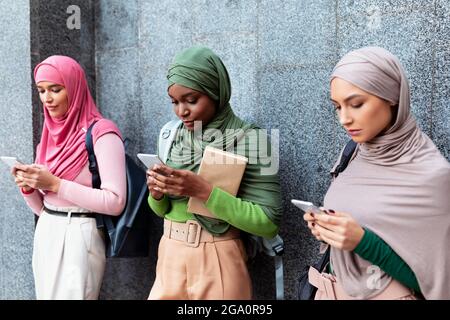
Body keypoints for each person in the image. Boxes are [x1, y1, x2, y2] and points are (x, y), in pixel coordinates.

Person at [303, 46, 450, 300]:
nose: (344, 119)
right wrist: (328, 228)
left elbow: (438, 283)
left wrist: (362, 242)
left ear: (391, 96)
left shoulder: (432, 176)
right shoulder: (353, 153)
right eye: (337, 107)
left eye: (356, 104)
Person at [146, 46, 282, 300]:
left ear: (216, 92)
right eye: (174, 102)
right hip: (169, 254)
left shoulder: (252, 139)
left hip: (218, 258)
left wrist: (205, 192)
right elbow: (161, 210)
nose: (181, 112)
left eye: (191, 100)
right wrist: (157, 194)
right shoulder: (171, 136)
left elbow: (269, 222)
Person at [12, 55, 126, 300]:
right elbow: (43, 209)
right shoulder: (49, 134)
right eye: (41, 90)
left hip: (79, 232)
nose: (47, 99)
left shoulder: (103, 132)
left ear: (73, 87)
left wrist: (55, 184)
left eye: (56, 89)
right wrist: (28, 187)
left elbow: (115, 201)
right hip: (47, 230)